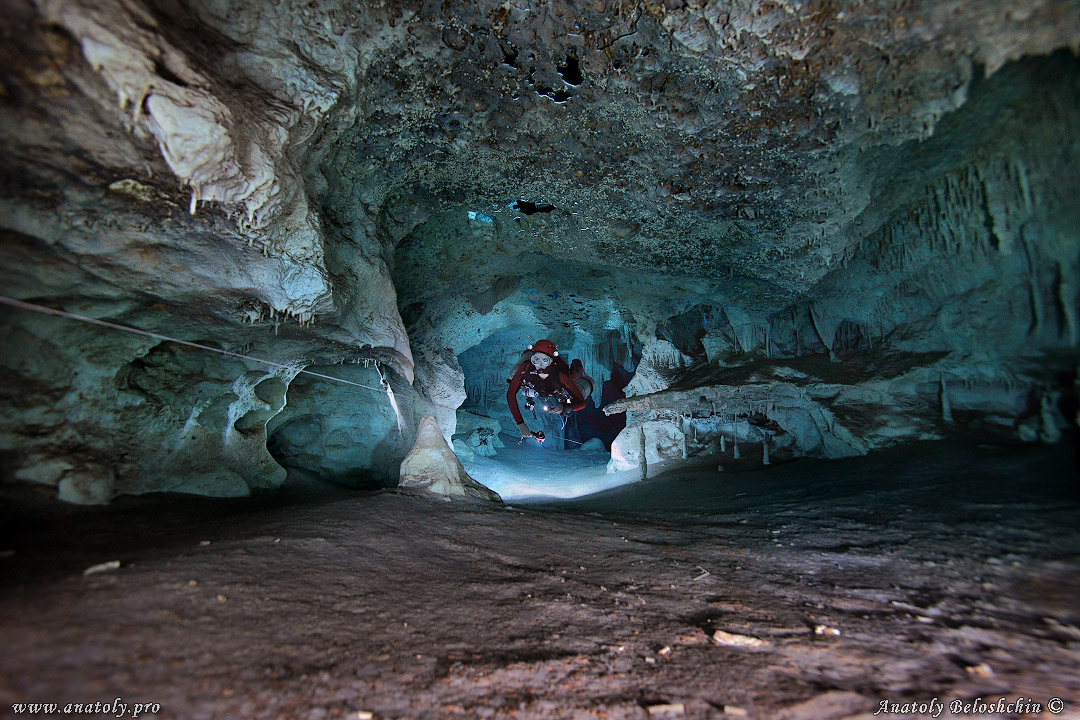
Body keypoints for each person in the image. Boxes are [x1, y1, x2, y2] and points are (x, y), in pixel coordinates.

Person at [506, 339, 593, 442]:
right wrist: (520, 423)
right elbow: (510, 395)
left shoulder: (559, 376)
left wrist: (564, 408)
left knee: (569, 381)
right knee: (513, 375)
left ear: (550, 361)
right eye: (536, 360)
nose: (540, 365)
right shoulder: (525, 368)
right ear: (532, 359)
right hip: (538, 387)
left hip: (555, 389)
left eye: (545, 360)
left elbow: (582, 403)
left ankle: (575, 368)